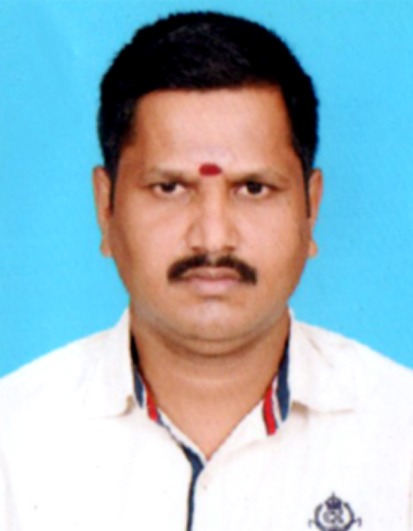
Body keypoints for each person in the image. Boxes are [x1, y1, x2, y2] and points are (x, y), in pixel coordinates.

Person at [1, 11, 412, 531]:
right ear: (105, 208)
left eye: (253, 189)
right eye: (170, 188)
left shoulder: (401, 437)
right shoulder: (13, 444)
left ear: (312, 209)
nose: (213, 239)